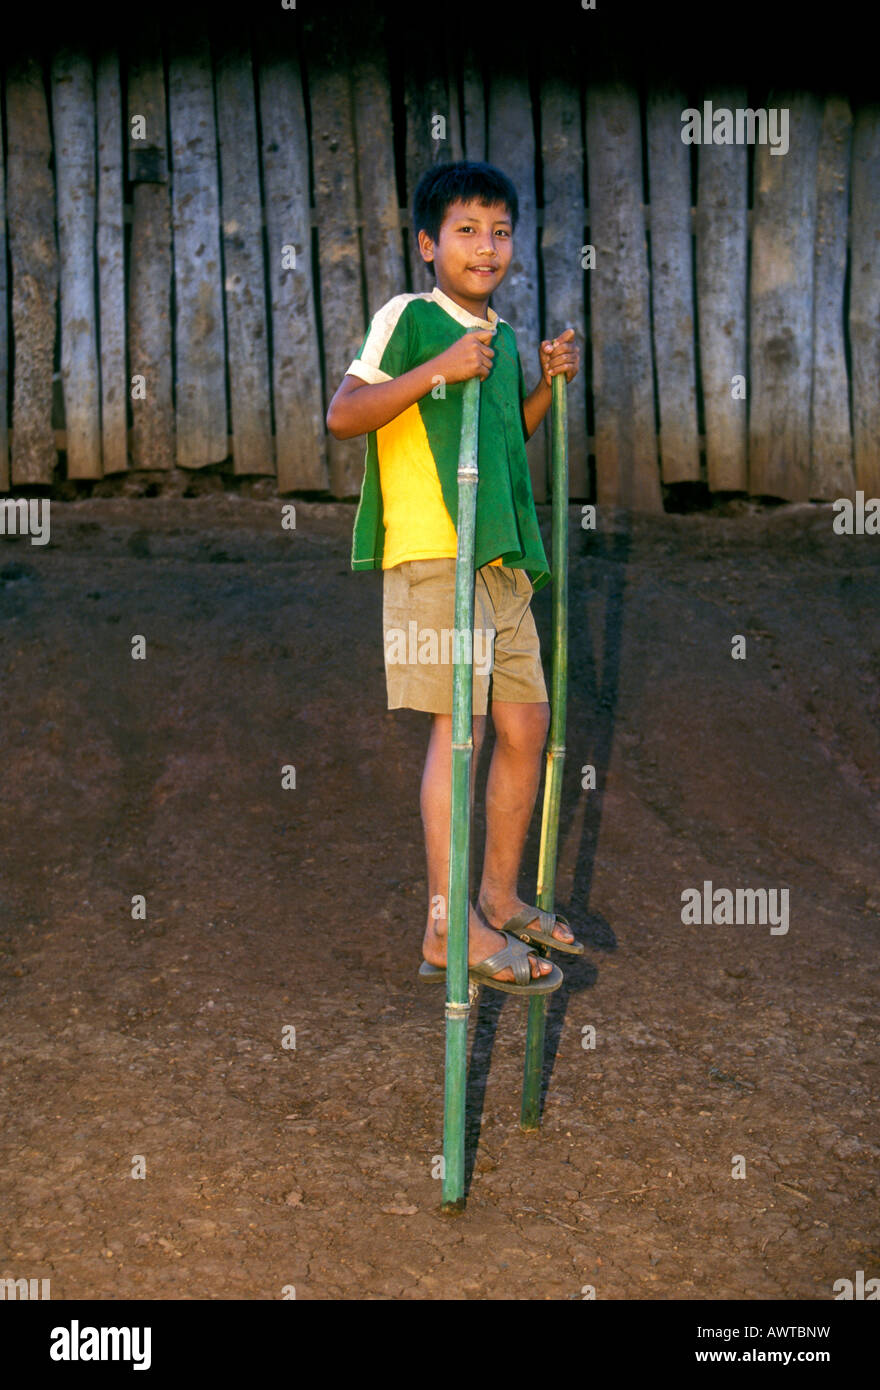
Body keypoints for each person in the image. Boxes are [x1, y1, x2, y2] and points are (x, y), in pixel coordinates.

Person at [327, 160, 581, 995]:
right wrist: (439, 368)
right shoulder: (409, 318)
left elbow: (509, 446)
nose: (487, 246)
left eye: (501, 231)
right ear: (430, 244)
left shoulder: (501, 337)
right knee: (458, 732)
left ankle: (498, 897)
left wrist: (542, 384)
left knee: (526, 725)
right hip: (437, 553)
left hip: (503, 559)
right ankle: (447, 927)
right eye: (467, 230)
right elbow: (344, 415)